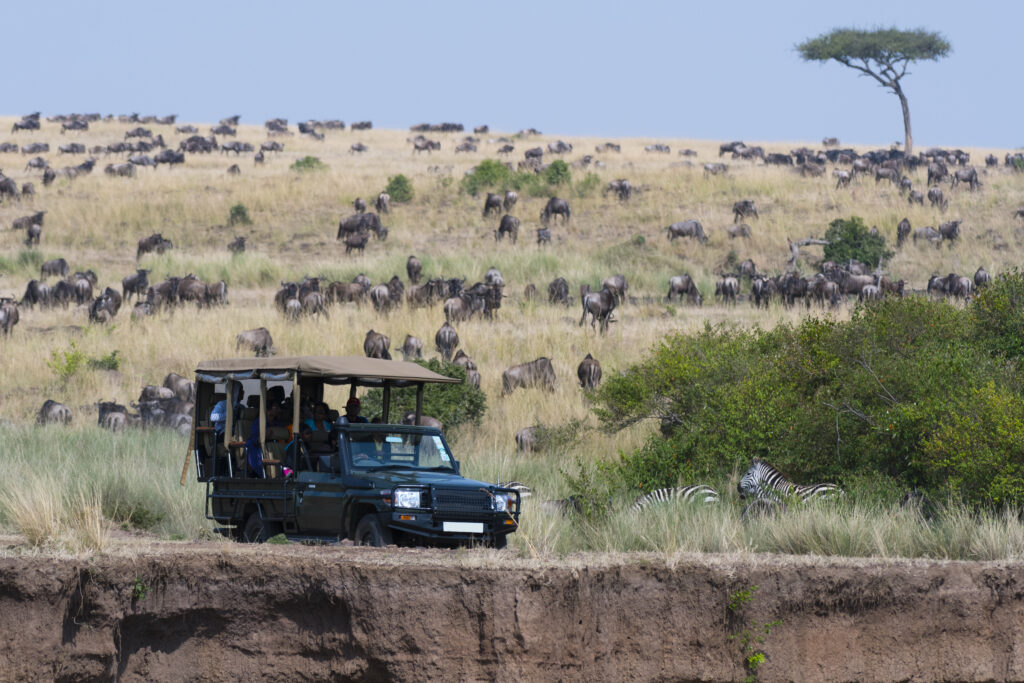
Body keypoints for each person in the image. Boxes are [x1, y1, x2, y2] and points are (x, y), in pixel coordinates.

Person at [245, 402, 291, 477]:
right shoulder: (258, 422)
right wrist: (264, 435)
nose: (279, 411)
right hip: (257, 448)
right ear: (268, 410)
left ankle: (287, 474)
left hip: (273, 447)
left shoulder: (277, 423)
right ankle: (264, 474)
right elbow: (255, 439)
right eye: (276, 408)